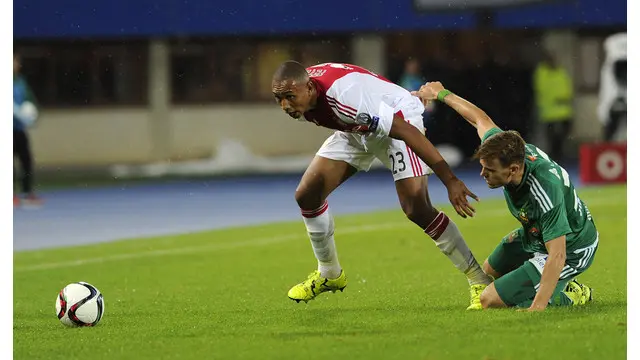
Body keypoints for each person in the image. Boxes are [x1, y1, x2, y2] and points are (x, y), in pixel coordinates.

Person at [271, 61, 493, 310]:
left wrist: (451, 181)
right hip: (357, 128)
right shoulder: (303, 90)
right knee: (307, 195)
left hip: (398, 121)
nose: (284, 105)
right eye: (278, 98)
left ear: (310, 88)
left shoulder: (345, 99)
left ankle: (480, 281)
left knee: (417, 208)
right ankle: (329, 274)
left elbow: (404, 130)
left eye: (289, 97)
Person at [412, 81, 596, 311]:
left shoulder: (544, 189)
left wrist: (536, 308)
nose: (482, 174)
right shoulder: (506, 149)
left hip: (572, 248)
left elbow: (557, 255)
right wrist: (441, 94)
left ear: (513, 170)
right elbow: (479, 119)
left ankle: (572, 294)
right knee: (486, 274)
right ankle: (548, 286)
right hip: (535, 232)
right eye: (482, 167)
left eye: (490, 171)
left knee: (489, 300)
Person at [13, 52, 42, 208]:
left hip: (19, 129)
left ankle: (27, 193)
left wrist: (33, 114)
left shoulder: (21, 82)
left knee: (26, 160)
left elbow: (30, 101)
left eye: (16, 61)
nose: (15, 64)